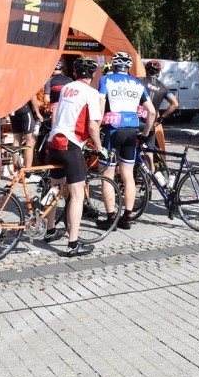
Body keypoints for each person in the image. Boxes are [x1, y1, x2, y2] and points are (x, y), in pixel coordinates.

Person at [43, 57, 106, 257]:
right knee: (77, 194)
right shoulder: (92, 93)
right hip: (71, 144)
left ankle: (50, 230)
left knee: (55, 186)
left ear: (76, 73)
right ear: (93, 74)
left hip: (55, 141)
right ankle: (73, 244)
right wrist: (99, 147)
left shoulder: (66, 89)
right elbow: (93, 125)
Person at [97, 51, 156, 230]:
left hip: (112, 130)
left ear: (114, 66)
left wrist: (95, 130)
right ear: (128, 67)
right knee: (128, 176)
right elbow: (152, 112)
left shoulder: (106, 79)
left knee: (107, 175)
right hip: (132, 130)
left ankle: (110, 219)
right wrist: (145, 133)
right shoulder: (137, 83)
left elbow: (100, 108)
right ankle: (127, 217)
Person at [139, 59, 179, 180]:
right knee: (149, 154)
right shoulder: (163, 88)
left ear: (146, 70)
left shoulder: (138, 81)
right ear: (159, 72)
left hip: (136, 120)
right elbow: (175, 104)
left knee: (128, 152)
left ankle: (126, 182)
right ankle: (150, 184)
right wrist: (162, 117)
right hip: (150, 122)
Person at [9, 97, 45, 182]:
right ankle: (27, 174)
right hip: (24, 108)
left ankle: (16, 172)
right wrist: (37, 112)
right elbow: (32, 95)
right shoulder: (25, 82)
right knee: (30, 141)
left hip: (12, 108)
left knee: (16, 140)